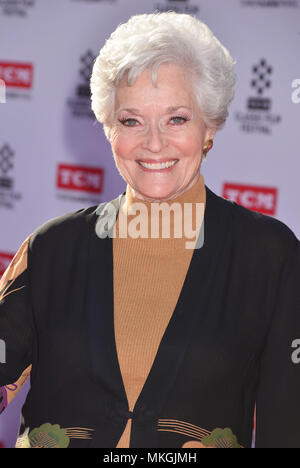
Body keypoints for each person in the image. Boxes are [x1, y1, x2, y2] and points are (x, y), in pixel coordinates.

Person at [0, 11, 299, 449]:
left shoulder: (270, 256)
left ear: (209, 126)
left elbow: (287, 426)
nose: (153, 143)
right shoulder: (51, 249)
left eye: (176, 119)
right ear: (108, 129)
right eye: (131, 120)